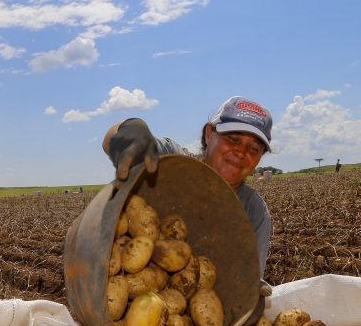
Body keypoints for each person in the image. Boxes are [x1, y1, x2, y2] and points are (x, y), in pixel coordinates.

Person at [102, 95, 273, 299]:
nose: (241, 152)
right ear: (209, 134)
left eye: (254, 149)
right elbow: (111, 141)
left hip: (196, 304)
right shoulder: (172, 161)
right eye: (233, 139)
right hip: (126, 285)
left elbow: (246, 282)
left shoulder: (254, 212)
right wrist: (130, 131)